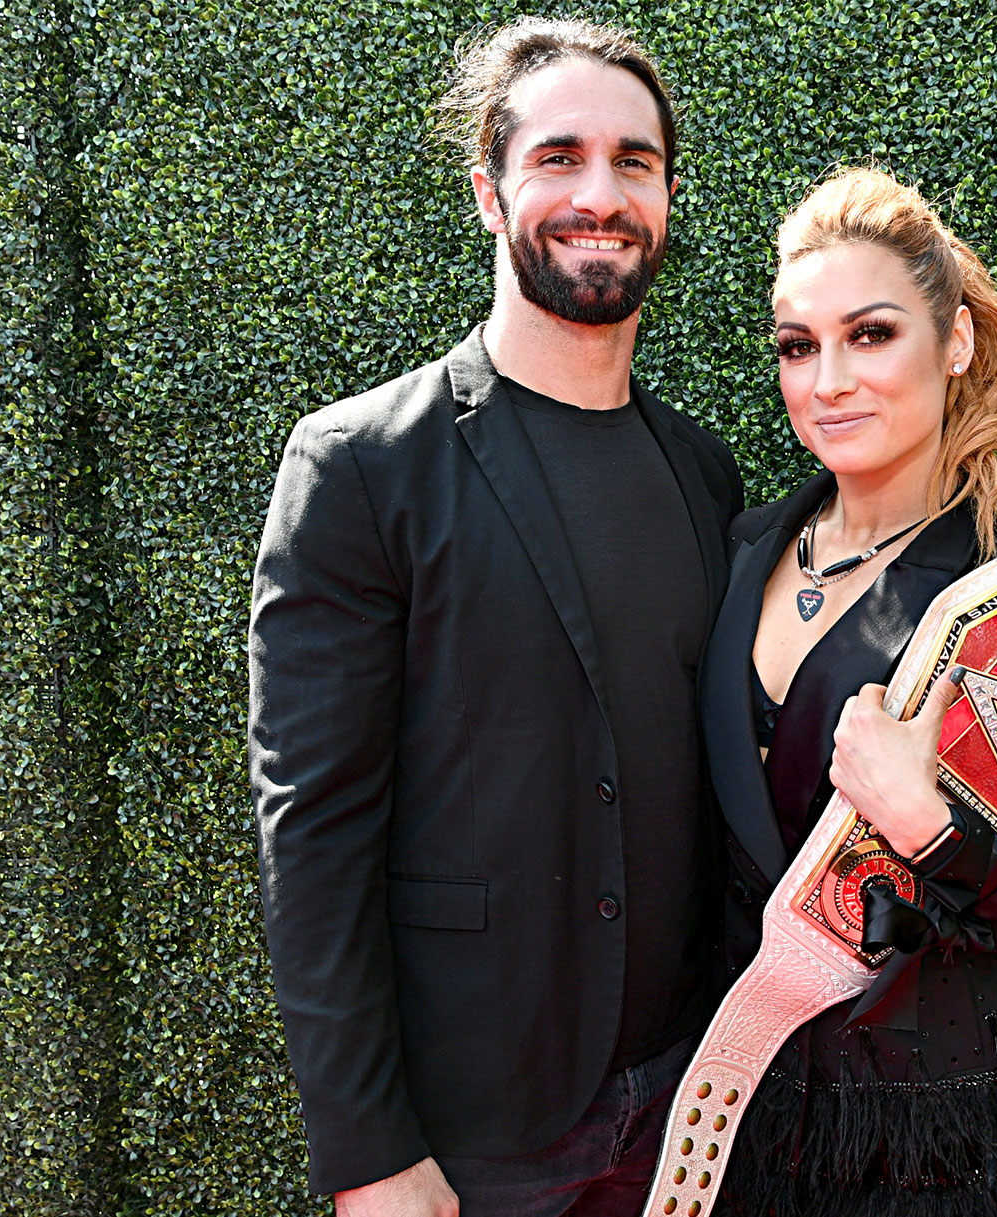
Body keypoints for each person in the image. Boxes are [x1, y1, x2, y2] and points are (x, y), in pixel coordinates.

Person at [247, 18, 742, 1217]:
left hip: (688, 1113)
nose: (599, 193)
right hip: (477, 1136)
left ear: (667, 193)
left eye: (634, 161)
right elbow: (311, 835)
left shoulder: (705, 474)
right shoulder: (362, 464)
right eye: (558, 157)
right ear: (489, 191)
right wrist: (366, 1150)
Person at [699, 168, 997, 1216]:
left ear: (953, 343)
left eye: (871, 334)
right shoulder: (741, 545)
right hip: (756, 1124)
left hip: (959, 1151)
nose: (828, 379)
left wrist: (933, 832)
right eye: (798, 346)